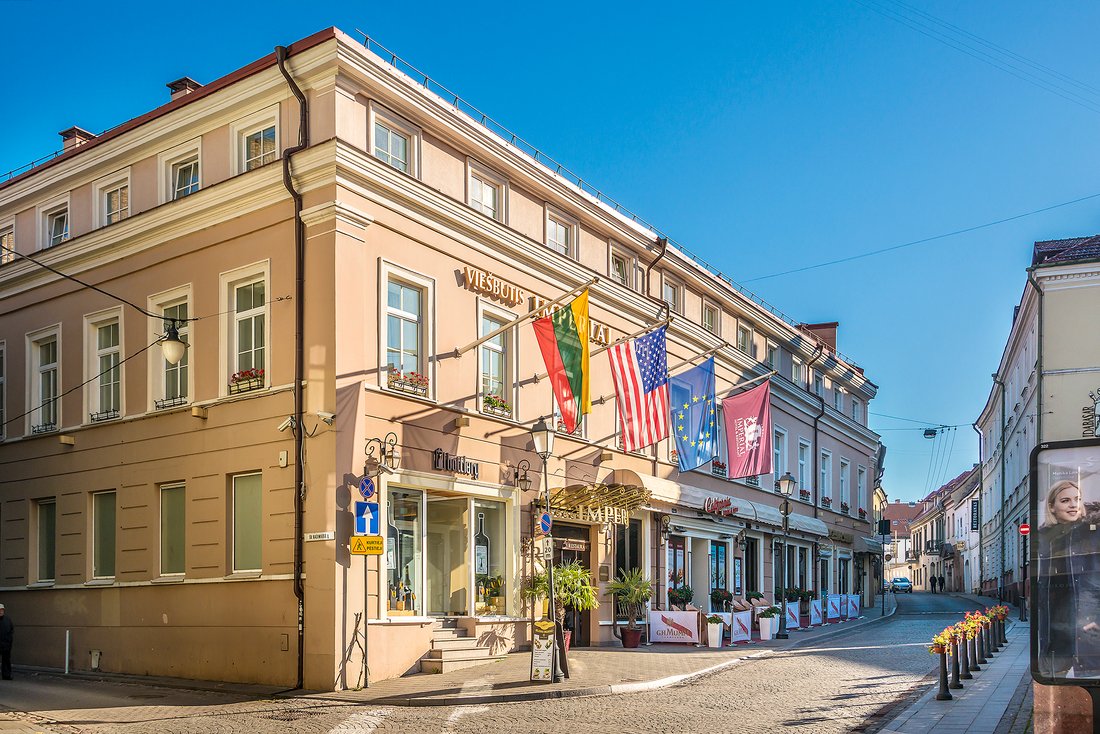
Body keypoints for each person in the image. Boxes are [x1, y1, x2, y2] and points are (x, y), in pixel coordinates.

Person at [1036, 479, 1082, 677]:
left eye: (1077, 499)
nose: (1073, 505)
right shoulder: (1044, 535)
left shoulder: (1088, 532)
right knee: (1056, 673)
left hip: (1082, 616)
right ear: (1052, 507)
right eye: (1065, 500)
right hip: (1054, 619)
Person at [0, 604, 13, 680]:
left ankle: (6, 675)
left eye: (2, 610)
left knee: (6, 660)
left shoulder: (7, 620)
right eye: (0, 610)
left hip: (6, 645)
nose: (1, 611)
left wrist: (9, 642)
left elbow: (11, 630)